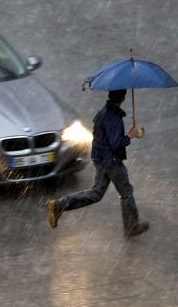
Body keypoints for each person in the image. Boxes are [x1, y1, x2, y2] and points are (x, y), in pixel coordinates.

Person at [47, 89, 149, 236]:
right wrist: (130, 136)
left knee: (96, 193)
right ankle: (131, 226)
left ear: (110, 96)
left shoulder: (103, 112)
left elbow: (103, 138)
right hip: (112, 161)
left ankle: (60, 205)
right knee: (126, 192)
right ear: (123, 98)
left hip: (100, 159)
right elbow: (116, 143)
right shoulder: (114, 117)